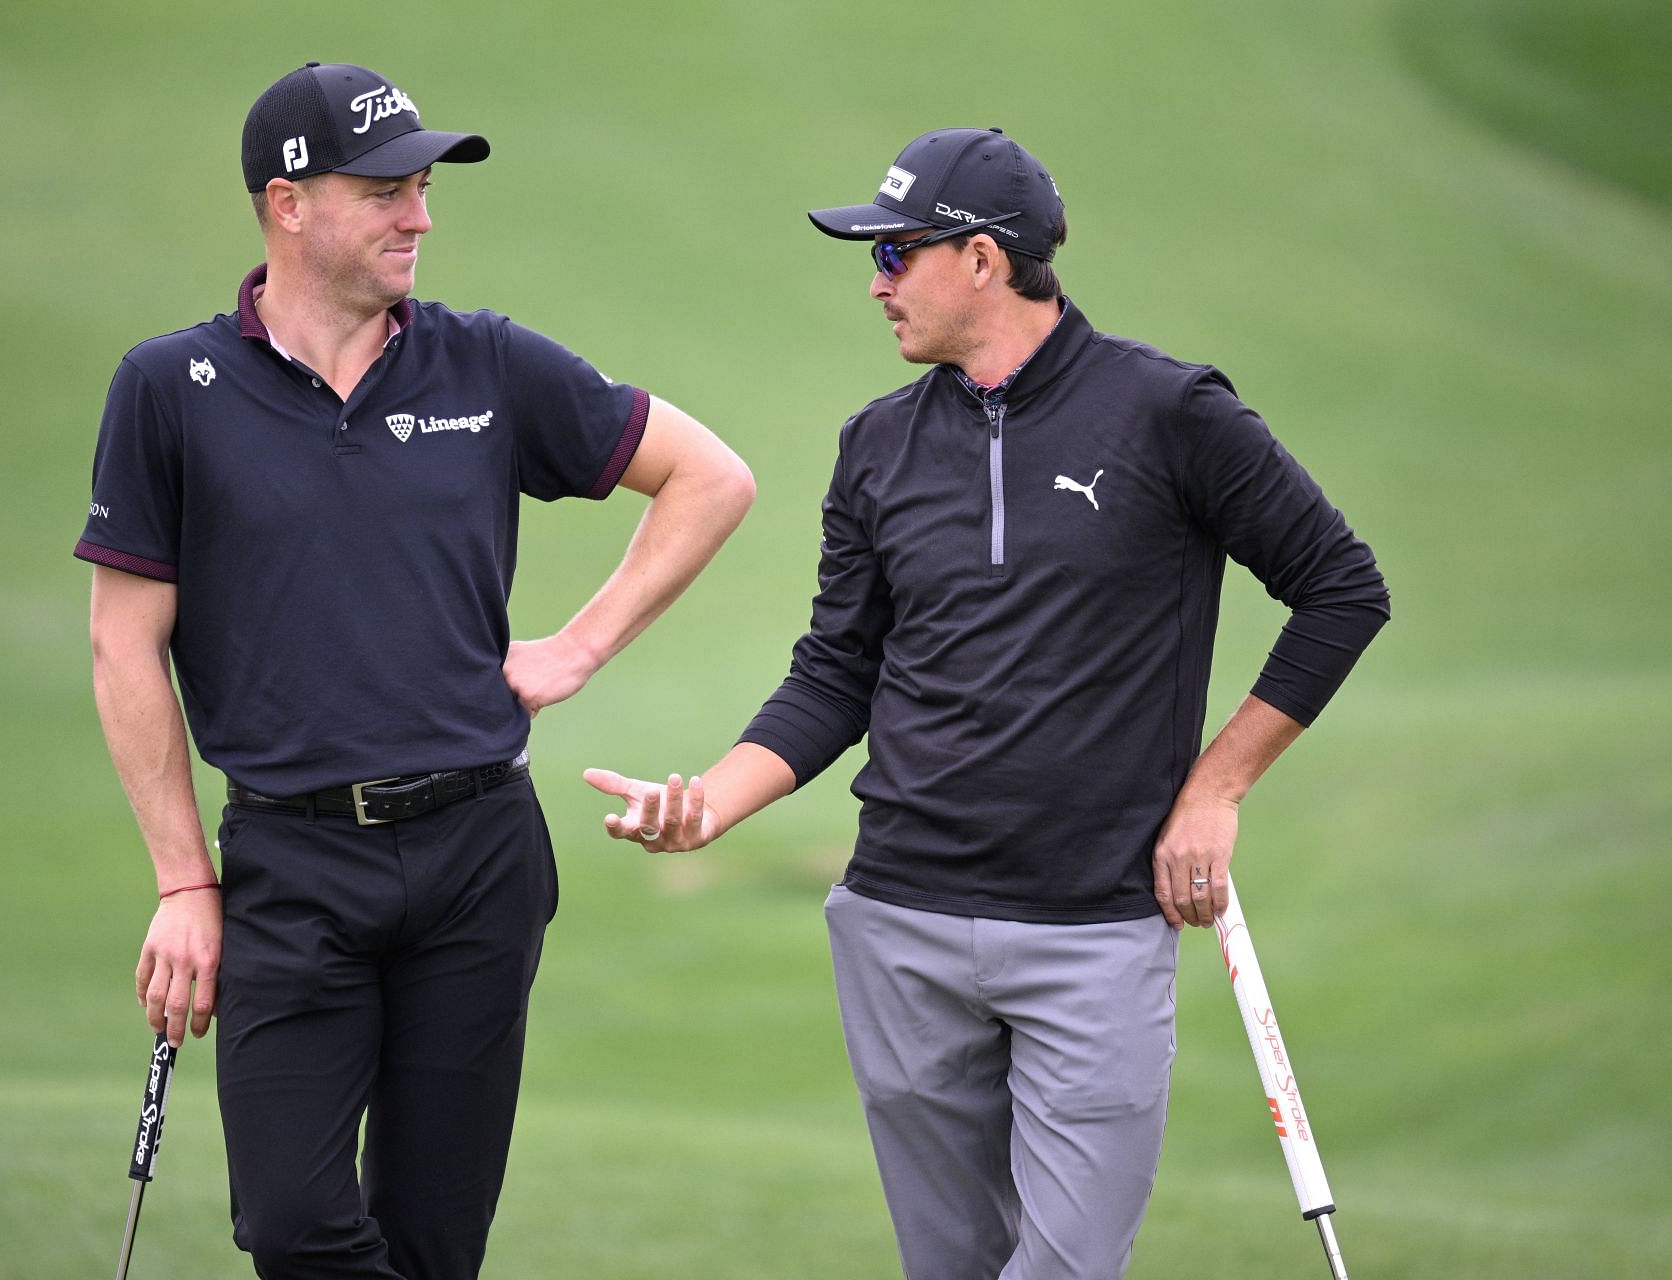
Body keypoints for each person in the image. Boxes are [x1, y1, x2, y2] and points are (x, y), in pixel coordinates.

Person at [585, 127, 1389, 1279]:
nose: (875, 282)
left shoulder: (1172, 414)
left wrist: (1217, 787)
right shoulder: (875, 447)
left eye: (896, 253)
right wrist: (710, 801)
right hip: (900, 922)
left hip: (1094, 929)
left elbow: (1341, 589)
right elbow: (835, 675)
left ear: (981, 258)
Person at [75, 60, 753, 1280]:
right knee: (291, 1223)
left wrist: (579, 645)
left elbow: (713, 477)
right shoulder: (171, 390)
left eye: (424, 186)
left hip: (477, 856)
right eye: (387, 188)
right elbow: (124, 643)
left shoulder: (483, 364)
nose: (420, 216)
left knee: (437, 1241)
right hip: (291, 864)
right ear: (288, 202)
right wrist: (185, 881)